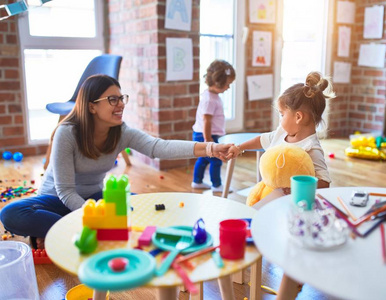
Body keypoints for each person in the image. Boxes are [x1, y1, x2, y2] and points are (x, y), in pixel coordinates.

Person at [0, 74, 233, 249]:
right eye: (113, 99)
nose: (121, 104)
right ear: (92, 106)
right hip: (56, 200)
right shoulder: (67, 132)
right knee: (10, 213)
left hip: (95, 199)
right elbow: (65, 191)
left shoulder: (120, 132)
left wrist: (211, 148)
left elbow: (158, 147)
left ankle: (66, 232)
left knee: (140, 205)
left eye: (121, 98)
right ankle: (78, 228)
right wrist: (94, 215)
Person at [228, 71, 335, 190]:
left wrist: (296, 187)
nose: (280, 119)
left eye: (282, 114)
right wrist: (239, 147)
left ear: (298, 117)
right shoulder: (281, 133)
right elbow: (260, 139)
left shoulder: (311, 148)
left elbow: (324, 182)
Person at [191, 60, 236, 192]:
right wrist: (208, 139)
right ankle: (217, 185)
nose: (228, 87)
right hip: (205, 135)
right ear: (219, 83)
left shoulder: (212, 95)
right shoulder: (209, 99)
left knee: (204, 160)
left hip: (204, 134)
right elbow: (206, 120)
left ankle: (197, 181)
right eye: (228, 84)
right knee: (216, 160)